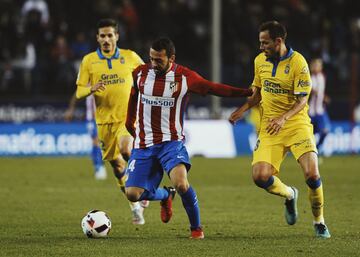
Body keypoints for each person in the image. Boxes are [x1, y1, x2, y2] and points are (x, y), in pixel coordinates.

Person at [124, 37, 253, 239]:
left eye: (159, 60)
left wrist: (245, 93)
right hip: (144, 145)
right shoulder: (140, 73)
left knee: (182, 183)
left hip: (171, 143)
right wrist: (128, 122)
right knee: (132, 193)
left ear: (171, 58)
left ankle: (196, 229)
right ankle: (166, 195)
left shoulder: (184, 77)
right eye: (151, 59)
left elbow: (212, 87)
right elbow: (133, 97)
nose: (154, 64)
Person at [229, 21, 331, 238]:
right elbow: (256, 94)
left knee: (312, 174)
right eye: (260, 42)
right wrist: (243, 109)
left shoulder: (298, 63)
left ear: (279, 41)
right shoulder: (259, 62)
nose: (261, 47)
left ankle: (319, 221)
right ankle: (289, 195)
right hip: (269, 127)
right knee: (259, 176)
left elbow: (303, 100)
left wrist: (284, 118)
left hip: (296, 124)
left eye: (265, 43)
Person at [75, 18, 148, 225]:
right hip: (104, 122)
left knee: (126, 150)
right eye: (102, 36)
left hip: (128, 117)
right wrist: (91, 88)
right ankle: (134, 206)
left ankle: (144, 185)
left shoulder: (130, 56)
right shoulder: (89, 61)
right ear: (97, 38)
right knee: (117, 166)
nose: (106, 39)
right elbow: (79, 90)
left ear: (117, 36)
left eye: (110, 35)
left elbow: (149, 75)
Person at [64, 93, 107, 180]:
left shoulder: (103, 82)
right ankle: (99, 167)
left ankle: (100, 166)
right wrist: (71, 110)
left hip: (102, 117)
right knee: (95, 141)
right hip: (92, 119)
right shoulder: (87, 83)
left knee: (101, 143)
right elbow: (76, 95)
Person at [308, 58, 331, 155]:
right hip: (311, 112)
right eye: (316, 65)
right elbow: (309, 90)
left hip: (320, 111)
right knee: (309, 134)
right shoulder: (309, 78)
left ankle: (317, 148)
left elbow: (320, 92)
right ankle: (309, 151)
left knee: (325, 131)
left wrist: (324, 97)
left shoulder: (322, 77)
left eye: (319, 65)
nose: (317, 67)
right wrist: (313, 91)